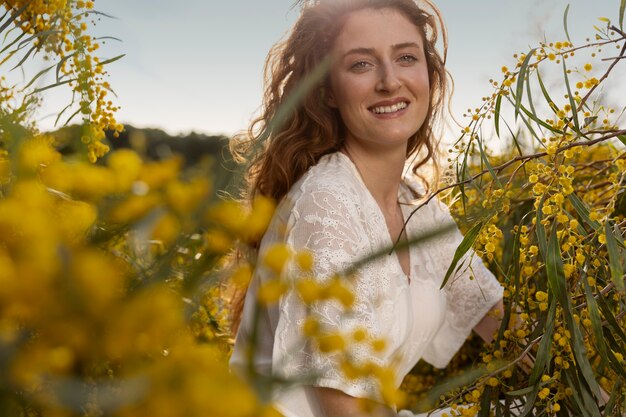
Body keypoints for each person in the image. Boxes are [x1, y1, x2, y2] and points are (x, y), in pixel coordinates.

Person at [229, 1, 504, 416]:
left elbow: (501, 321)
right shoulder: (326, 201)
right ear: (327, 91)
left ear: (428, 74)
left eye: (406, 57)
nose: (390, 81)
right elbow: (341, 408)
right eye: (361, 65)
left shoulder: (416, 203)